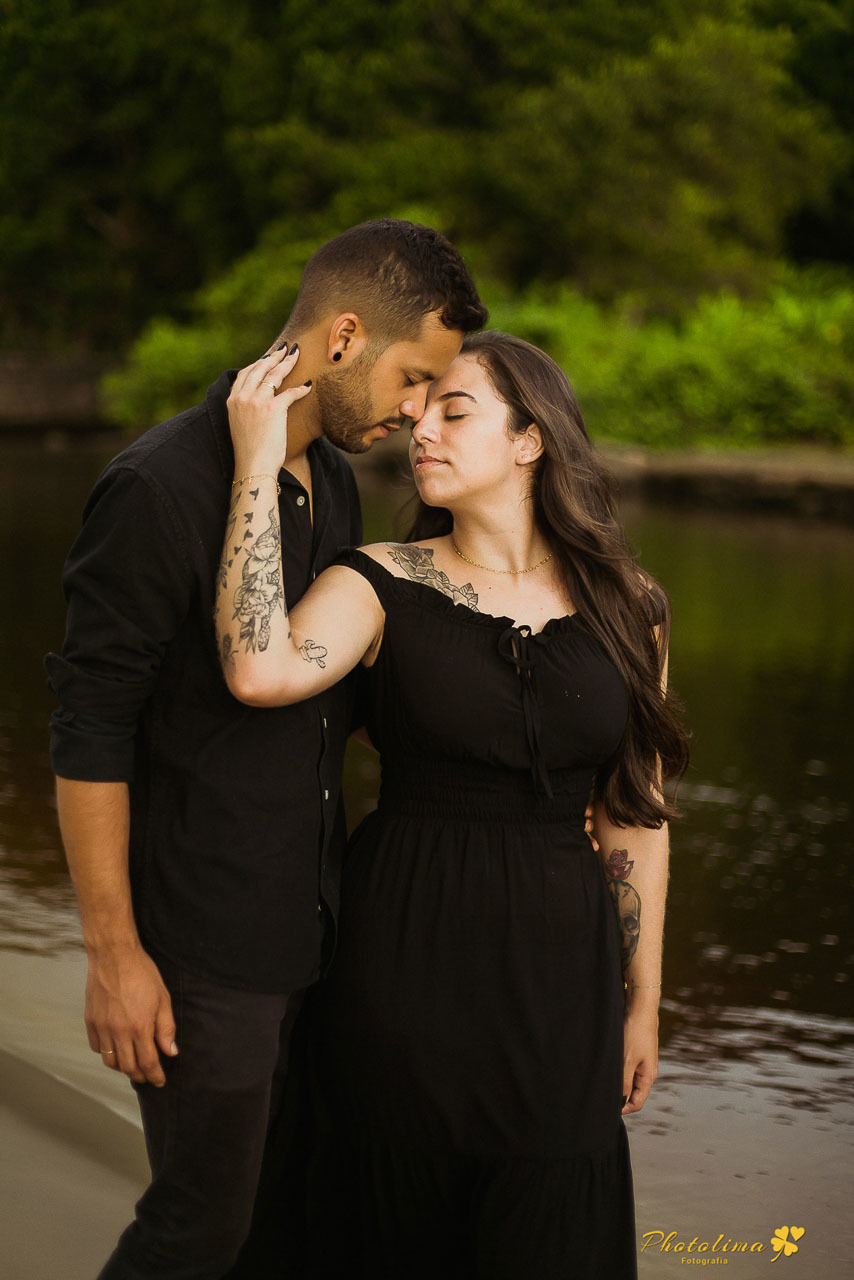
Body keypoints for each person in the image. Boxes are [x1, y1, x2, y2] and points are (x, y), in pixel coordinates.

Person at [45, 218, 488, 1279]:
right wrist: (114, 956)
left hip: (309, 931)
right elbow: (88, 731)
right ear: (343, 336)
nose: (417, 410)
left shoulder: (324, 478)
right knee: (198, 1227)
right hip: (199, 948)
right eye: (413, 376)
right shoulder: (159, 486)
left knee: (280, 1229)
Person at [217, 330, 690, 1278]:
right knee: (389, 1220)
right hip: (402, 963)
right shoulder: (379, 580)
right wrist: (256, 467)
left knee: (550, 1219)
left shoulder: (631, 605)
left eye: (455, 411)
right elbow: (256, 668)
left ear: (531, 440)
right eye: (419, 409)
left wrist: (642, 1003)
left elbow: (636, 814)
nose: (418, 428)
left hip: (562, 981)